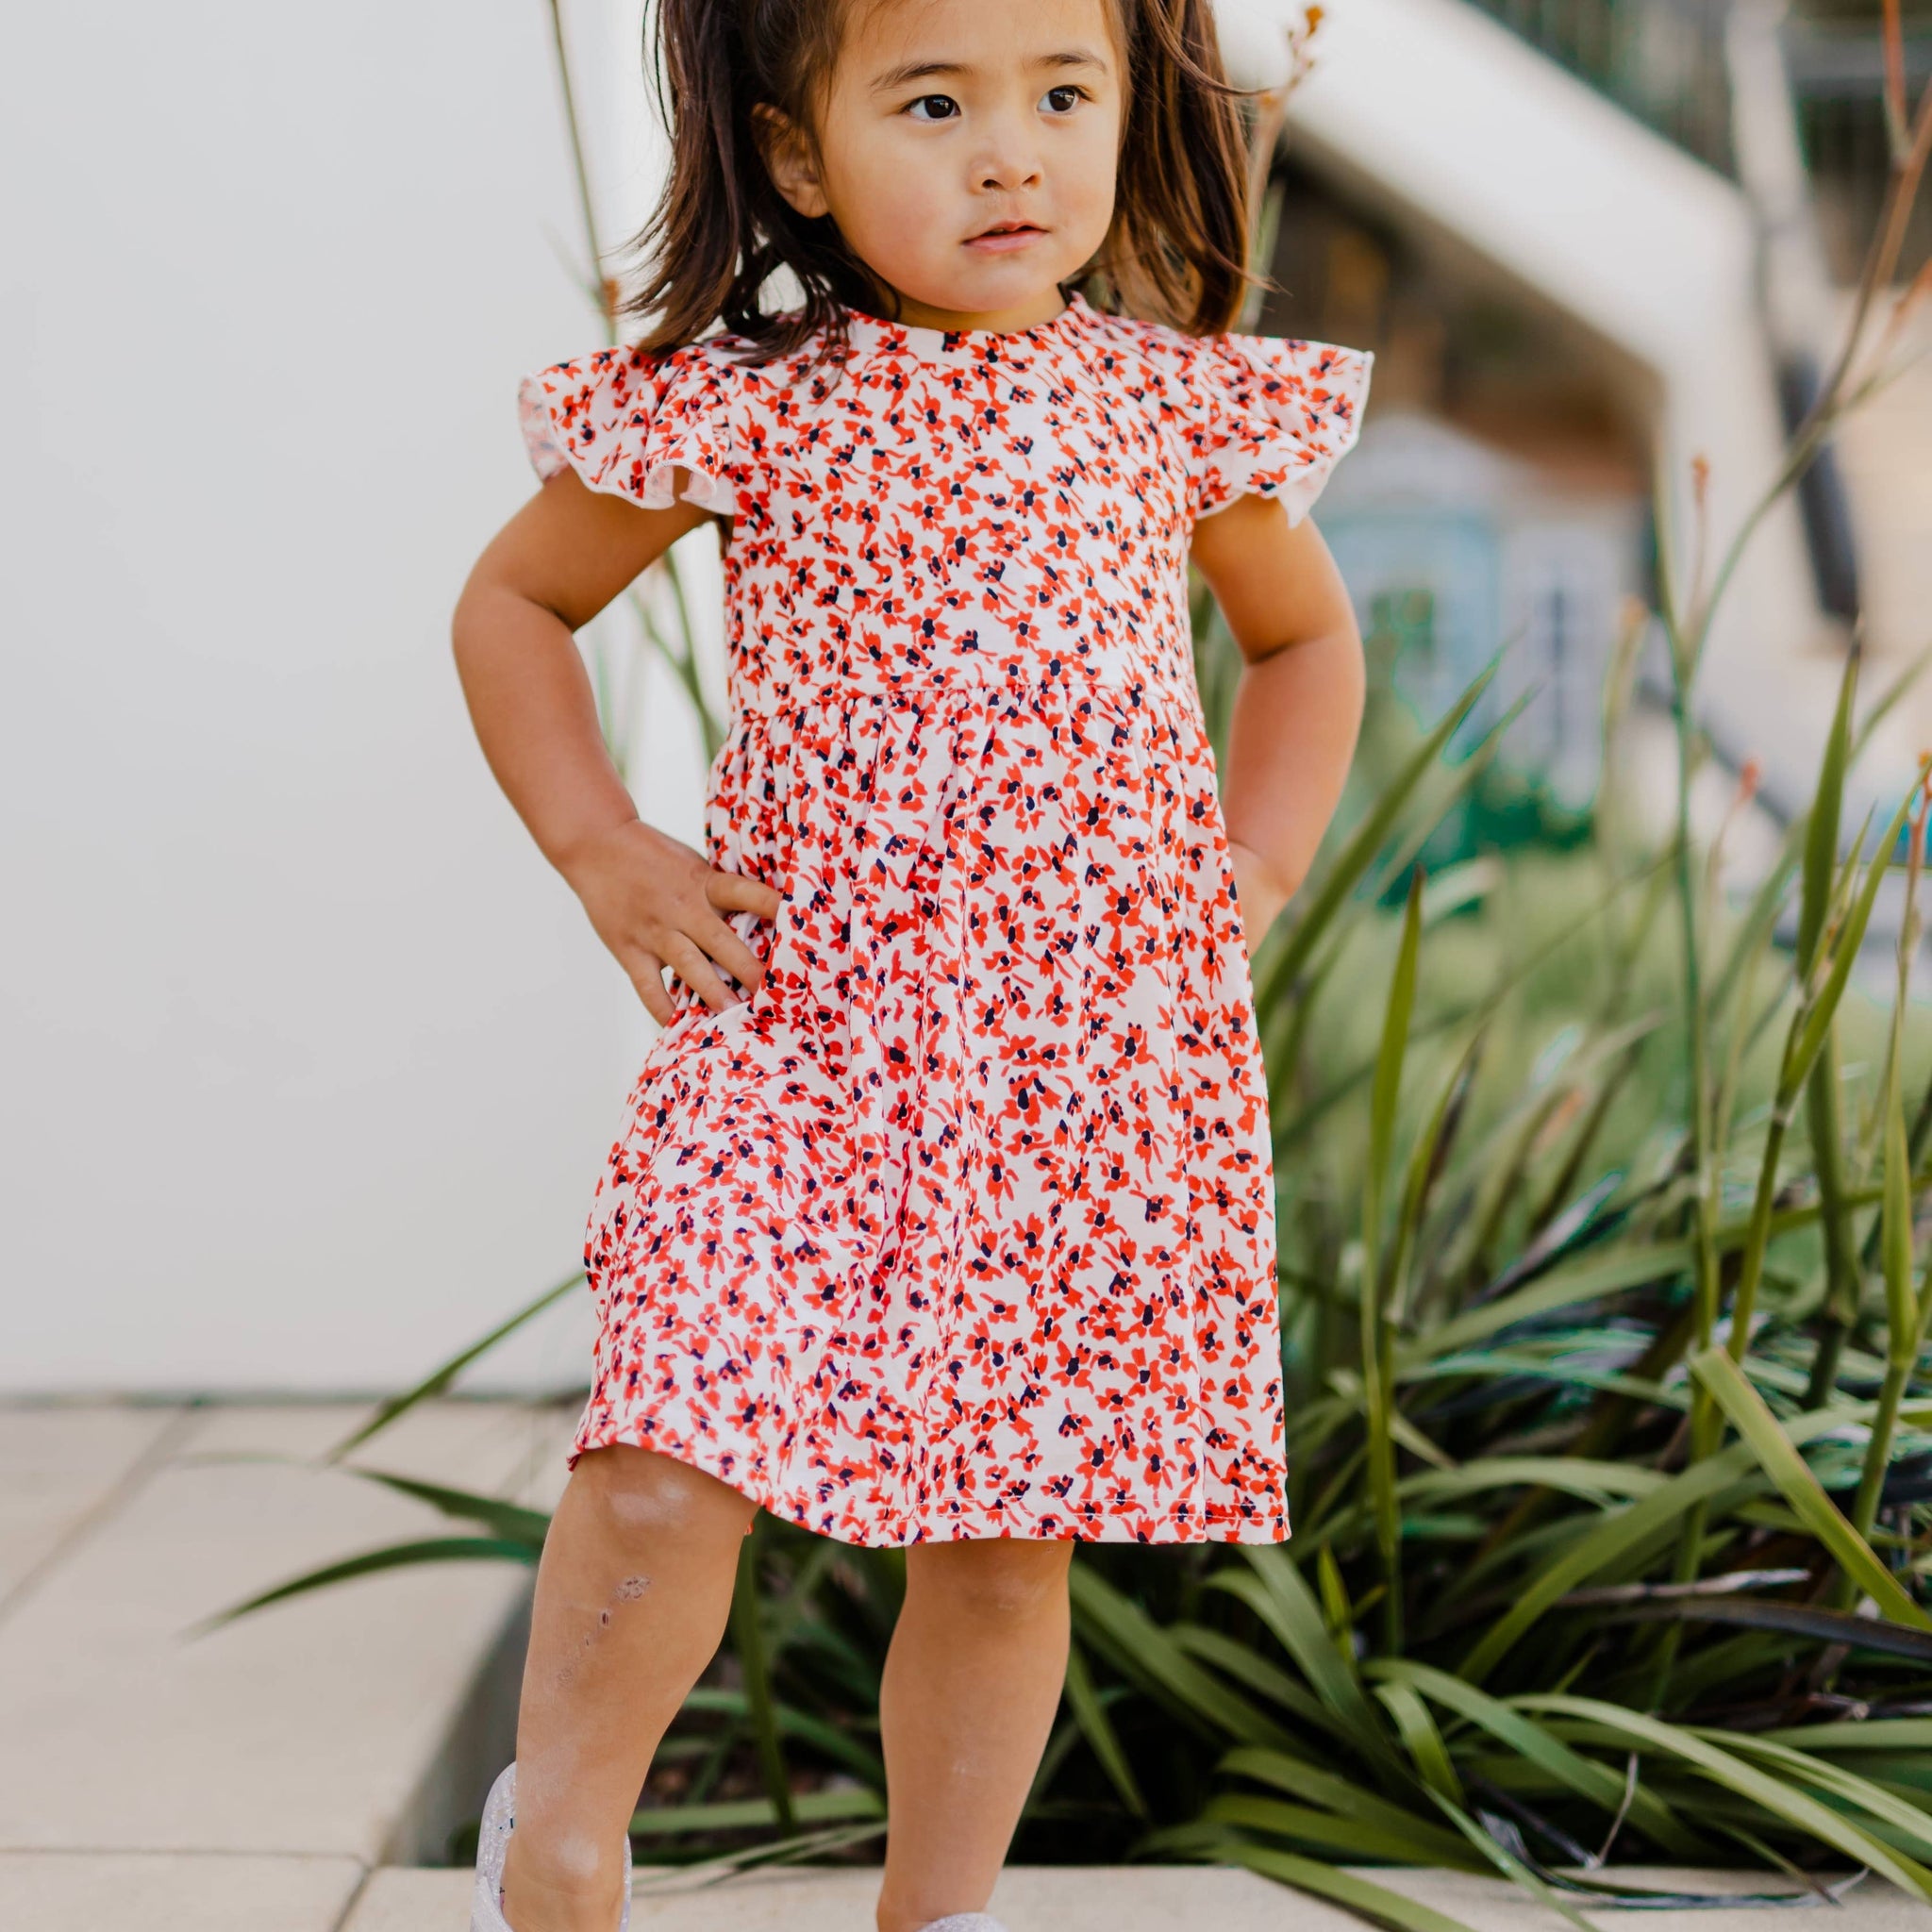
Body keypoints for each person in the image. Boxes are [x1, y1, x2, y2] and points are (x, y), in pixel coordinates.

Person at [451, 0, 1372, 1926]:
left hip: (1075, 1061)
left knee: (1003, 1538)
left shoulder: (1163, 402)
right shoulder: (755, 399)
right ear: (802, 158)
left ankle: (934, 1908)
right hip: (792, 1029)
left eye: (1061, 96)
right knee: (661, 1435)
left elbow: (1301, 647)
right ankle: (563, 1837)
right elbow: (515, 604)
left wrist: (1252, 871)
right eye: (932, 103)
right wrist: (603, 847)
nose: (1008, 152)